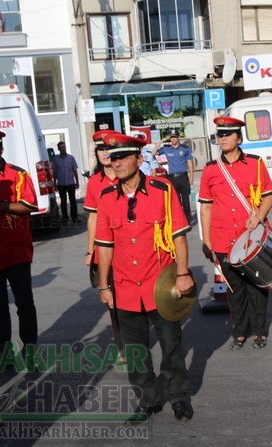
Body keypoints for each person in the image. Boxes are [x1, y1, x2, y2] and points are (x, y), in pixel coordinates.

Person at [95, 133, 194, 422]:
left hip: (160, 285)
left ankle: (178, 398)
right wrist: (104, 286)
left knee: (171, 346)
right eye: (114, 158)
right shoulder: (106, 198)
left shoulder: (162, 189)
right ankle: (148, 400)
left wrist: (183, 274)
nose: (118, 162)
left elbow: (179, 236)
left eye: (124, 156)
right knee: (136, 353)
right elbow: (104, 246)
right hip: (125, 288)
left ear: (140, 159)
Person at [199, 116, 272, 350]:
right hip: (223, 239)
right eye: (220, 134)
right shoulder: (210, 170)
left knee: (257, 286)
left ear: (239, 138)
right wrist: (207, 241)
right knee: (234, 289)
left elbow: (269, 195)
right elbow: (205, 207)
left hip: (250, 237)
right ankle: (240, 331)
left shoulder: (255, 163)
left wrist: (258, 216)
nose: (222, 138)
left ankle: (260, 331)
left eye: (227, 134)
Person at [0, 129, 39, 375]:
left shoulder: (18, 175)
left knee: (24, 304)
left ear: (0, 149)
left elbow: (30, 204)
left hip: (17, 253)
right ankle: (5, 355)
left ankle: (30, 353)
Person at [83, 130, 125, 365]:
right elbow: (92, 219)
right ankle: (123, 347)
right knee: (113, 301)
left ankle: (135, 336)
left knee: (133, 296)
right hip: (104, 250)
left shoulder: (127, 175)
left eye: (108, 149)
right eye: (100, 149)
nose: (105, 154)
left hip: (130, 250)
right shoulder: (94, 182)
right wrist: (90, 252)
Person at [154, 129, 194, 219]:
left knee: (186, 202)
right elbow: (153, 153)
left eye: (175, 137)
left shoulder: (185, 149)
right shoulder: (166, 148)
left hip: (183, 177)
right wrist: (162, 141)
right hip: (172, 179)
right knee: (176, 201)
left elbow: (190, 163)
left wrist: (191, 176)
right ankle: (179, 220)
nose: (173, 139)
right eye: (171, 137)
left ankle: (188, 220)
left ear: (178, 138)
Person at [51, 141, 81, 221]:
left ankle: (74, 217)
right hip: (61, 184)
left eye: (64, 147)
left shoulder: (71, 158)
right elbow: (54, 172)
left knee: (73, 201)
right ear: (58, 149)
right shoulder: (55, 159)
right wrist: (54, 184)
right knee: (63, 201)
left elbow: (74, 170)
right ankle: (65, 218)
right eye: (61, 147)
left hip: (71, 183)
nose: (63, 149)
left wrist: (77, 181)